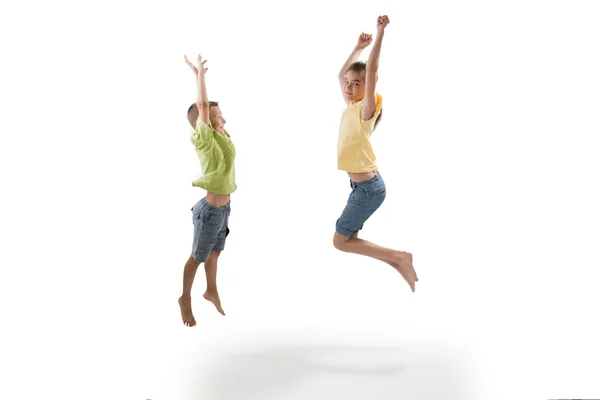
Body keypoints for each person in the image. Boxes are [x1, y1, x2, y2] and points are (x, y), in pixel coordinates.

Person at [334, 15, 418, 292]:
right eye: (347, 83)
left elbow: (371, 71)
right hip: (363, 186)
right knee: (348, 238)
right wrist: (357, 47)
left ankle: (398, 258)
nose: (349, 86)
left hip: (368, 188)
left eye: (355, 84)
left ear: (366, 88)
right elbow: (341, 74)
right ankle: (397, 260)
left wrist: (379, 33)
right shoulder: (350, 105)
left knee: (341, 241)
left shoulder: (366, 110)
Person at [178, 54, 237, 327]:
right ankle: (185, 298)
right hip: (210, 212)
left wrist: (219, 120)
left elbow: (211, 111)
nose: (222, 118)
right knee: (197, 258)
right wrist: (200, 74)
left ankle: (211, 289)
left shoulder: (223, 136)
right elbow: (202, 105)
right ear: (203, 124)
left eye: (221, 114)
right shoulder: (204, 140)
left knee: (214, 254)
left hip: (223, 209)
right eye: (216, 116)